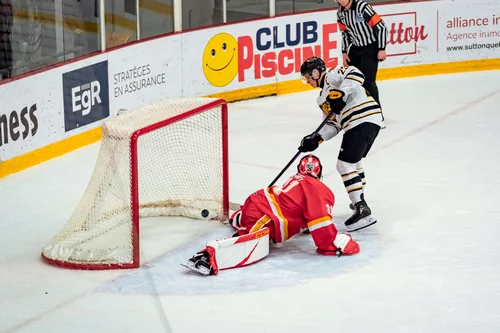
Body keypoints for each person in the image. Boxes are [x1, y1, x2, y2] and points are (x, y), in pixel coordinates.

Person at [184, 155, 359, 276]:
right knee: (247, 240)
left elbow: (298, 210)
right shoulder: (320, 189)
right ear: (319, 174)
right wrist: (337, 243)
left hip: (257, 203)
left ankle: (238, 217)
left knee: (249, 219)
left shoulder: (295, 180)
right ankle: (206, 257)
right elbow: (321, 226)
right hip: (264, 215)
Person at [298, 56, 383, 232]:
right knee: (354, 162)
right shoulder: (321, 99)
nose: (307, 81)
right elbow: (333, 124)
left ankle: (362, 208)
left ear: (315, 72)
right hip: (363, 123)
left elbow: (356, 74)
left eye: (307, 77)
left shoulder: (333, 75)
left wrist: (341, 93)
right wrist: (316, 138)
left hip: (362, 119)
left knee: (344, 164)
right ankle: (360, 201)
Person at [336, 0, 387, 109]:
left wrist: (381, 48)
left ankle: (377, 114)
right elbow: (345, 34)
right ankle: (358, 112)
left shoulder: (362, 6)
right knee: (353, 80)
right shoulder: (340, 13)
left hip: (370, 47)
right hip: (355, 48)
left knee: (368, 82)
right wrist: (344, 52)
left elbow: (381, 27)